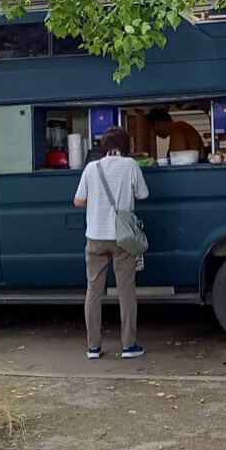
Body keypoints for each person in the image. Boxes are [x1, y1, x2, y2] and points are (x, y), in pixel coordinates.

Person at [74, 126, 149, 360]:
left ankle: (93, 347)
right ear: (126, 146)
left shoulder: (91, 167)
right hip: (123, 238)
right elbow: (143, 194)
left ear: (103, 147)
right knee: (126, 292)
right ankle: (128, 346)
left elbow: (78, 201)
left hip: (95, 237)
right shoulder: (131, 165)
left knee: (93, 292)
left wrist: (98, 203)